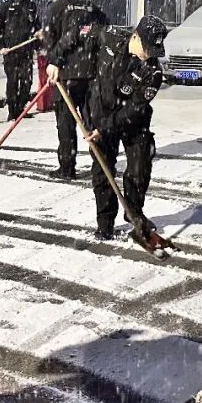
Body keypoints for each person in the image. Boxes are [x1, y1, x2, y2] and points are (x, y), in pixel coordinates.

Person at [80, 15, 169, 240]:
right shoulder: (109, 36)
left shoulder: (153, 72)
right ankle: (105, 222)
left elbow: (135, 109)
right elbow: (77, 34)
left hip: (133, 121)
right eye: (147, 48)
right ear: (136, 36)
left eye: (154, 50)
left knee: (140, 168)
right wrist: (56, 61)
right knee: (103, 171)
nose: (149, 54)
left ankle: (134, 213)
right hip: (100, 113)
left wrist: (106, 127)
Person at [45, 0, 106, 179]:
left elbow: (51, 39)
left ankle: (67, 167)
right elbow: (103, 31)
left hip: (66, 75)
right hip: (90, 73)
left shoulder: (56, 7)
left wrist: (53, 61)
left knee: (65, 123)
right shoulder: (92, 7)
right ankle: (101, 164)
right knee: (91, 121)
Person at [0, 0, 41, 120]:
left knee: (26, 81)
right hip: (11, 50)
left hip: (26, 51)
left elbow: (36, 27)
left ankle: (21, 109)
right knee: (12, 81)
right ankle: (12, 111)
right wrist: (1, 46)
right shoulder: (4, 8)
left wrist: (38, 42)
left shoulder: (31, 7)